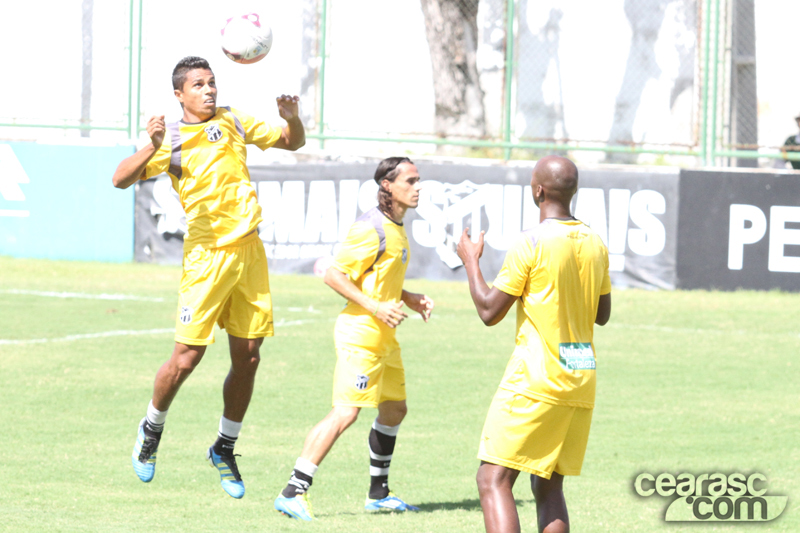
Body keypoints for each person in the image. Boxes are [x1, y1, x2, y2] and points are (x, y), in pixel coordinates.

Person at [111, 56, 305, 499]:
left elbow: (291, 142)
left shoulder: (233, 119)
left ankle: (224, 447)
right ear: (179, 94)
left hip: (249, 253)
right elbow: (119, 179)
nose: (209, 90)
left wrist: (292, 119)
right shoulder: (171, 139)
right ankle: (151, 428)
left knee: (249, 358)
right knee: (186, 359)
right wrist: (150, 146)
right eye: (198, 84)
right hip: (206, 259)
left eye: (212, 82)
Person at [273, 157, 434, 521]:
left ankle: (378, 495)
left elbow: (376, 277)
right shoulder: (370, 227)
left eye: (418, 180)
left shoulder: (396, 226)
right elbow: (334, 275)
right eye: (410, 180)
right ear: (388, 185)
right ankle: (292, 491)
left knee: (394, 409)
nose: (418, 186)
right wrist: (376, 307)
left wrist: (408, 298)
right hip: (361, 335)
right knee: (345, 412)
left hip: (385, 339)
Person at [456, 155, 611, 533]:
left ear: (538, 191)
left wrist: (471, 261)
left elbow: (489, 311)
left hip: (536, 379)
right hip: (579, 379)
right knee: (547, 483)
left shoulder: (531, 241)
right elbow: (602, 314)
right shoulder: (595, 242)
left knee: (492, 479)